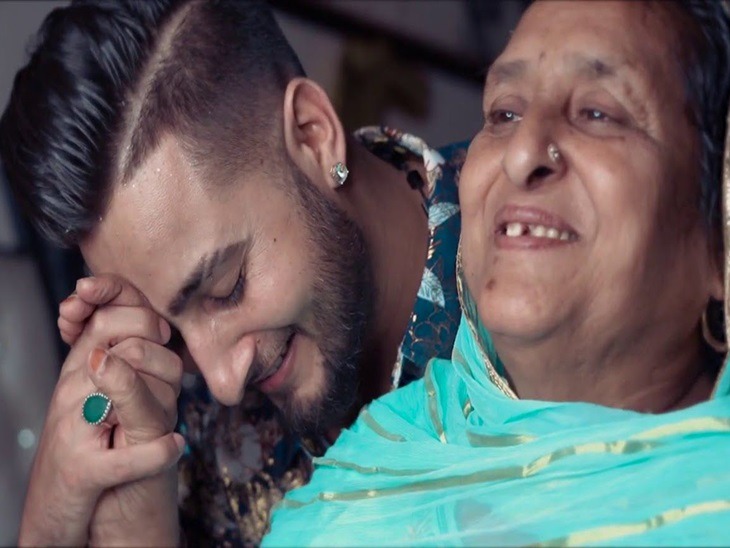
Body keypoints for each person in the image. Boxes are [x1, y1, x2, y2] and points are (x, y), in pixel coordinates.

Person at [264, 0, 730, 545]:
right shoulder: (348, 510)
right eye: (505, 114)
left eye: (598, 113)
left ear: (718, 239)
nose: (522, 153)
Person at [0, 0, 465, 544]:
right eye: (172, 335)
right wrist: (54, 529)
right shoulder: (186, 445)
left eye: (226, 288)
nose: (222, 383)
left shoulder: (537, 240)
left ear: (313, 135)